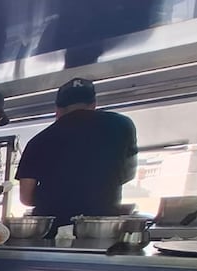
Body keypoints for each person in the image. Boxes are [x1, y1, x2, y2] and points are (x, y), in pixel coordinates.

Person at [16, 78, 138, 234]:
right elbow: (128, 173)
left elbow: (26, 197)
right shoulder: (123, 125)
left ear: (58, 110)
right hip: (101, 228)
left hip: (53, 229)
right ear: (94, 104)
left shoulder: (39, 140)